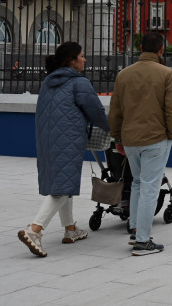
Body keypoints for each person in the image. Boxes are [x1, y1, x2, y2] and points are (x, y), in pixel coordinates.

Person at [18, 41, 109, 257]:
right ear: (71, 60)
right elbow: (96, 112)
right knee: (61, 188)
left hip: (47, 138)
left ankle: (70, 229)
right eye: (82, 55)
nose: (85, 59)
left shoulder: (49, 82)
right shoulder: (80, 83)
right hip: (68, 138)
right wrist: (114, 127)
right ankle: (34, 230)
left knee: (63, 180)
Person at [109, 32, 172, 256]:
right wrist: (171, 133)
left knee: (138, 183)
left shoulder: (124, 74)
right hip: (155, 137)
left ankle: (135, 228)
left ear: (141, 49)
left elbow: (115, 110)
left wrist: (117, 137)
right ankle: (142, 241)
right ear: (161, 50)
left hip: (130, 138)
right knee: (150, 186)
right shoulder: (167, 74)